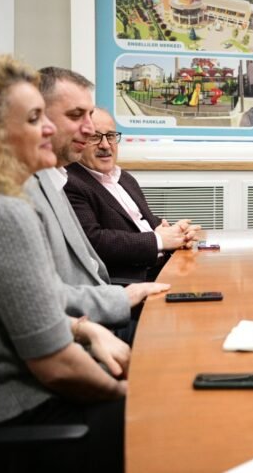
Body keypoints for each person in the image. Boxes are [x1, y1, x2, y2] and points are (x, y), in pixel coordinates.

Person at [0, 54, 128, 471]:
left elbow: (31, 309)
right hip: (22, 426)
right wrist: (131, 395)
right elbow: (58, 367)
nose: (49, 128)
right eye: (35, 119)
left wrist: (84, 327)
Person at [25, 67, 169, 334]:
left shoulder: (55, 178)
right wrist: (109, 311)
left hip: (100, 308)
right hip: (96, 315)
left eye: (89, 116)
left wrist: (167, 231)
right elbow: (33, 307)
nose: (90, 130)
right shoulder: (21, 194)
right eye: (75, 115)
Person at [64, 108, 199, 280]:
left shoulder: (124, 178)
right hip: (132, 281)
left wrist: (176, 232)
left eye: (111, 136)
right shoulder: (70, 182)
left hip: (164, 266)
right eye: (95, 137)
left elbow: (143, 222)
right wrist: (159, 240)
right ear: (80, 141)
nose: (105, 145)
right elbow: (93, 241)